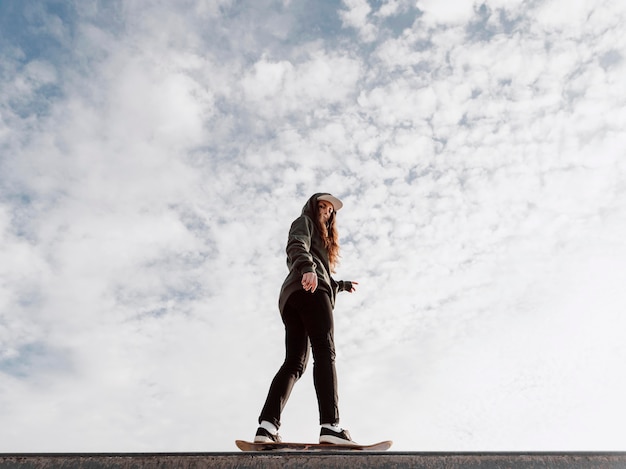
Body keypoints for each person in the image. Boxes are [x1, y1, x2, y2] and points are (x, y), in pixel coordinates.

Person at [254, 193, 359, 445]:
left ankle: (266, 428)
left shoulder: (320, 242)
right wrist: (309, 269)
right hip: (310, 289)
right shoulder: (305, 222)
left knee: (294, 363)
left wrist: (340, 285)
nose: (326, 211)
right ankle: (331, 427)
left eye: (330, 210)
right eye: (322, 206)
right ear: (313, 208)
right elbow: (296, 245)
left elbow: (321, 271)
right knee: (325, 351)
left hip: (293, 298)